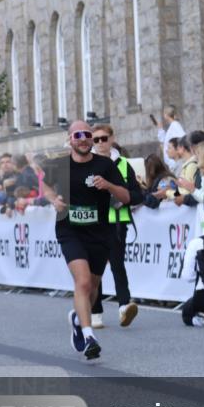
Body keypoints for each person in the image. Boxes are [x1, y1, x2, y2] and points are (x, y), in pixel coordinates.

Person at [40, 121, 130, 360]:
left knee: (92, 285)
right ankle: (89, 336)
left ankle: (78, 319)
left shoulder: (105, 164)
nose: (83, 139)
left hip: (99, 232)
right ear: (70, 139)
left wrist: (109, 185)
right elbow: (44, 183)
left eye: (87, 135)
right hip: (70, 230)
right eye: (77, 135)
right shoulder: (59, 164)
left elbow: (126, 196)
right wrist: (53, 200)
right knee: (82, 282)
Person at [90, 124, 144, 328]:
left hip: (117, 223)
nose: (101, 143)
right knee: (96, 269)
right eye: (96, 140)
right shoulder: (87, 164)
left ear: (112, 139)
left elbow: (138, 194)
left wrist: (123, 199)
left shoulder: (123, 164)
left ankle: (124, 306)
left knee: (117, 264)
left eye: (104, 138)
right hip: (93, 223)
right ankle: (95, 312)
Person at [155, 105, 186, 172]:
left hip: (175, 162)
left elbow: (183, 138)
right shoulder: (173, 126)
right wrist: (160, 129)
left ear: (166, 115)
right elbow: (166, 139)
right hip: (172, 162)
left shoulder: (175, 125)